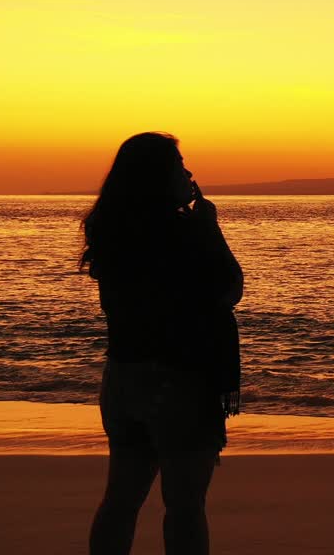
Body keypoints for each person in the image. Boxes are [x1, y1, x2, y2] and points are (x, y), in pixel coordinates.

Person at [81, 132, 243, 555]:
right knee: (185, 507)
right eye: (179, 165)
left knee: (120, 501)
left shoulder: (109, 228)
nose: (188, 173)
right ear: (159, 175)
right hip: (180, 380)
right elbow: (228, 288)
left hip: (123, 377)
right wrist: (209, 228)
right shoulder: (181, 231)